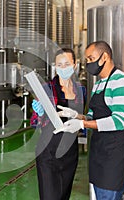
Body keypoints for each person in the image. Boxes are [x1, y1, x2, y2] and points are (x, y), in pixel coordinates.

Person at [57, 41, 124, 200]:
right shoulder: (98, 84)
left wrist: (82, 124)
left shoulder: (122, 81)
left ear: (105, 57)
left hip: (117, 153)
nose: (88, 64)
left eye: (91, 58)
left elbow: (118, 122)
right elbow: (93, 116)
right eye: (86, 60)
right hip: (100, 151)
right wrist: (76, 116)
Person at [30, 48, 86, 200]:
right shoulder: (47, 88)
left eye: (67, 64)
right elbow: (35, 121)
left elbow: (85, 119)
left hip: (70, 152)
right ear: (54, 66)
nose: (63, 68)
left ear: (74, 65)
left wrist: (76, 116)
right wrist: (40, 113)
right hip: (48, 152)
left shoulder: (81, 90)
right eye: (59, 65)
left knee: (63, 195)